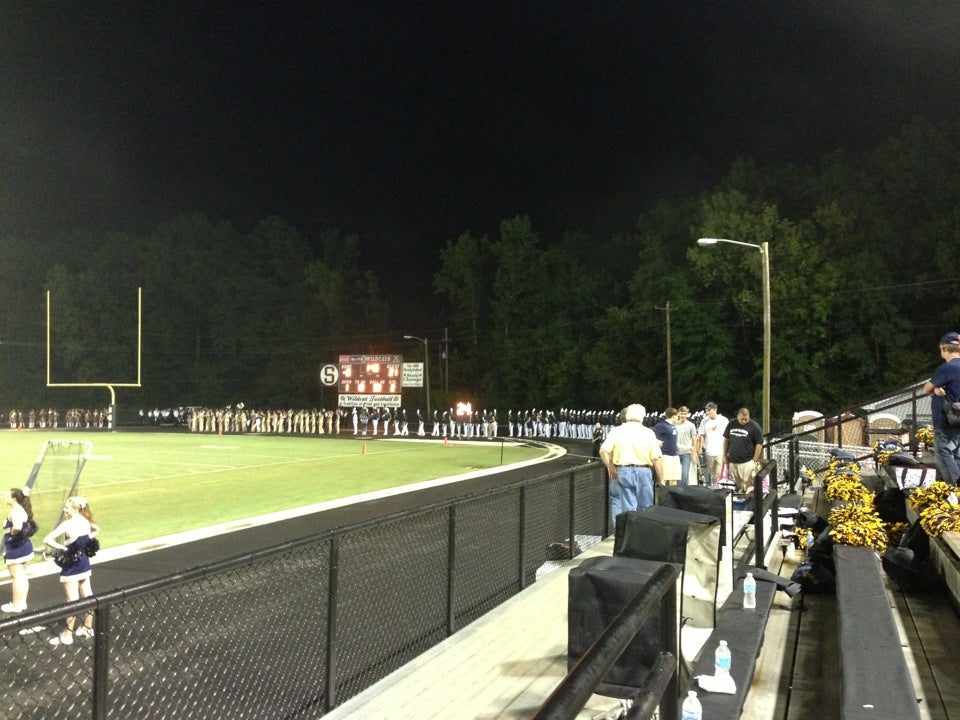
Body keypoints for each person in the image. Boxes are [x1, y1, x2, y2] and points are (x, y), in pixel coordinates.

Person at [43, 496, 100, 645]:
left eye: (67, 507)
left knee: (72, 601)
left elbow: (47, 539)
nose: (64, 509)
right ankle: (87, 627)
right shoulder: (85, 521)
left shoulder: (67, 525)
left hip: (72, 566)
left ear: (75, 509)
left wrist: (63, 548)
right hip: (84, 563)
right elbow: (96, 530)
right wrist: (87, 541)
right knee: (88, 596)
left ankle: (68, 635)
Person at [599, 403, 664, 516]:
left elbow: (603, 450)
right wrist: (661, 479)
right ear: (642, 417)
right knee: (646, 507)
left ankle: (628, 530)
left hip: (624, 470)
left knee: (628, 507)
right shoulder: (647, 432)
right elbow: (656, 458)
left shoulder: (616, 431)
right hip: (643, 470)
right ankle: (643, 530)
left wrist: (610, 466)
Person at [923, 331, 960, 485]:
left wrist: (936, 389)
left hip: (946, 420)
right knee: (957, 453)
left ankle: (955, 486)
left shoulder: (947, 368)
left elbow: (927, 388)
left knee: (943, 451)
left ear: (944, 349)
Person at [3, 487, 35, 613]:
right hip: (24, 546)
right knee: (22, 576)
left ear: (14, 498)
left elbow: (17, 526)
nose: (5, 497)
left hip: (16, 548)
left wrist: (12, 533)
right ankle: (22, 603)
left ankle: (16, 605)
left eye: (7, 496)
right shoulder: (21, 509)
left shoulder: (16, 511)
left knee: (17, 576)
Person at [723, 407, 765, 493]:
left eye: (746, 419)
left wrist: (754, 460)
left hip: (747, 461)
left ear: (749, 416)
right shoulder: (731, 423)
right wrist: (724, 455)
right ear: (738, 416)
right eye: (742, 419)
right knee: (738, 485)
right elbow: (726, 440)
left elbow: (759, 444)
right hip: (733, 460)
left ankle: (750, 502)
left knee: (748, 485)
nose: (744, 421)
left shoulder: (754, 426)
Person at [696, 402, 728, 486]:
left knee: (719, 472)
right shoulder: (704, 421)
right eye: (706, 410)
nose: (707, 412)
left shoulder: (723, 420)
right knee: (711, 472)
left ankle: (718, 488)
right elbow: (702, 434)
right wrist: (699, 448)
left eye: (709, 410)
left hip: (720, 451)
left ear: (715, 410)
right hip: (709, 451)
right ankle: (712, 487)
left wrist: (728, 449)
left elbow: (728, 436)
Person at [652, 408, 681, 485]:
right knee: (664, 478)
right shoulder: (662, 425)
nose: (678, 417)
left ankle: (673, 495)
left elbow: (673, 441)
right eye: (677, 416)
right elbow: (651, 435)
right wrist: (657, 441)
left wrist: (687, 447)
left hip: (675, 455)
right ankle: (663, 495)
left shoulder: (673, 426)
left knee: (674, 478)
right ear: (673, 416)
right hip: (665, 455)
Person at [675, 406, 698, 487]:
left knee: (685, 473)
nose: (683, 415)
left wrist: (694, 454)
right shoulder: (674, 424)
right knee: (677, 474)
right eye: (681, 413)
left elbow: (694, 440)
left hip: (686, 453)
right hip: (675, 452)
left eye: (685, 414)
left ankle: (684, 491)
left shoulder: (691, 425)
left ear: (688, 415)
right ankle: (678, 492)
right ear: (678, 413)